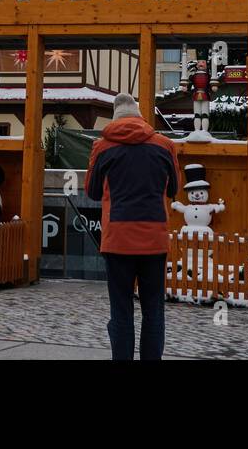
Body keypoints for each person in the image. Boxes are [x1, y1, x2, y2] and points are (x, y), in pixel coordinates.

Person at [85, 92, 181, 361]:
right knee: (153, 310)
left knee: (121, 310)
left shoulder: (102, 147)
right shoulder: (164, 145)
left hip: (117, 239)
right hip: (154, 238)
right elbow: (174, 188)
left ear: (114, 117)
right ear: (139, 115)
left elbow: (92, 191)